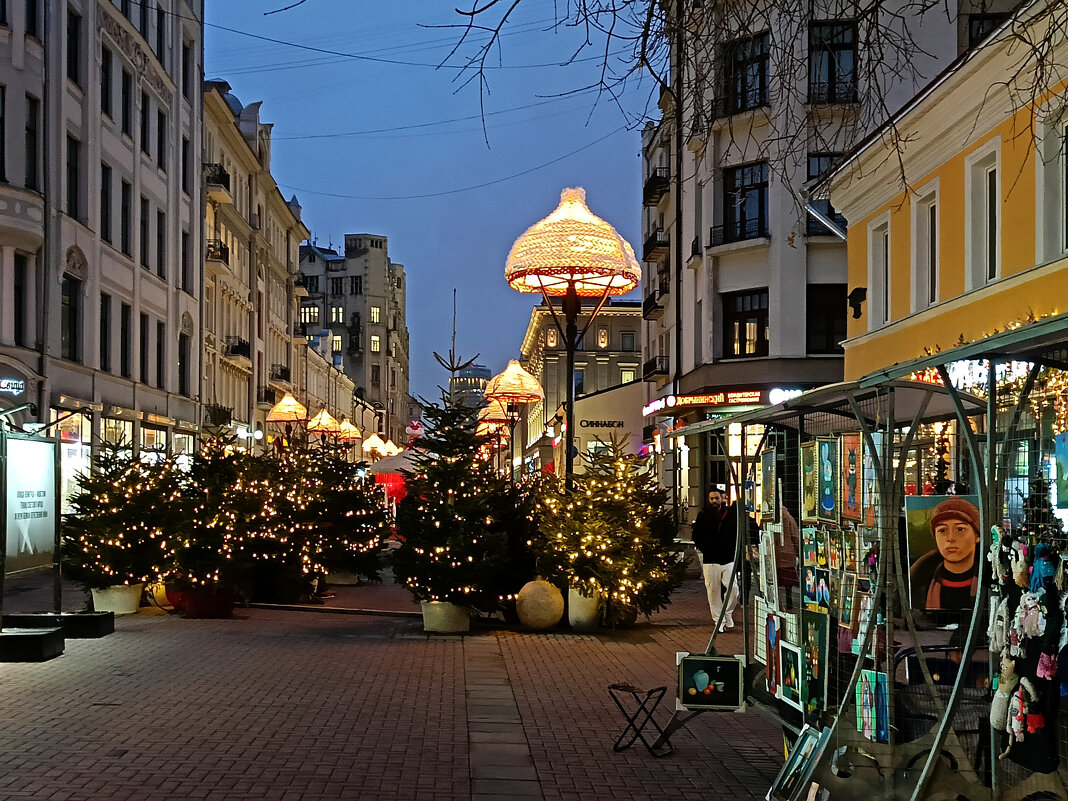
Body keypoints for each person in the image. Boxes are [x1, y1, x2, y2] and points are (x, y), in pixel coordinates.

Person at [909, 497, 981, 612]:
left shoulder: (990, 581)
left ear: (977, 536)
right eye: (942, 530)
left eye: (960, 529)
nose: (950, 538)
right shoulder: (918, 583)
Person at [691, 485, 741, 631]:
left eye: (717, 498)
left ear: (723, 498)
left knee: (734, 589)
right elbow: (696, 535)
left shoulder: (731, 515)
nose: (714, 501)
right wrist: (704, 547)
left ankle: (728, 612)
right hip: (710, 559)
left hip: (728, 558)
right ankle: (719, 621)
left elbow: (736, 533)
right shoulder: (703, 515)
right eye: (711, 498)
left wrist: (734, 549)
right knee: (713, 591)